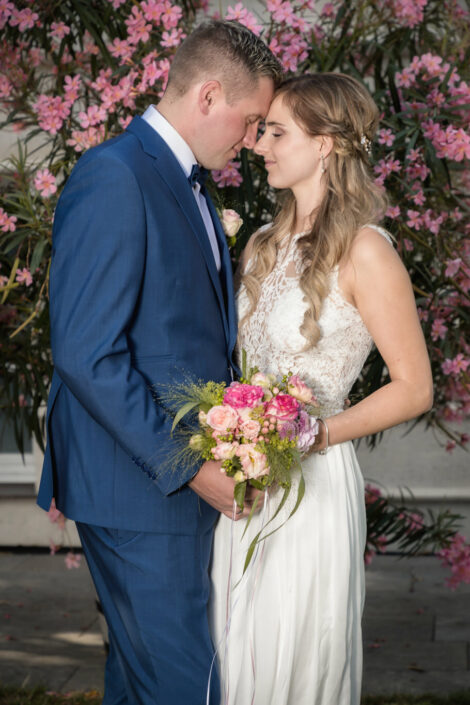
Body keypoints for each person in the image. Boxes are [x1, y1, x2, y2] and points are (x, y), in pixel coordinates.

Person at [37, 20, 282, 705]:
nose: (253, 139)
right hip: (144, 488)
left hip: (152, 487)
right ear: (208, 96)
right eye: (252, 119)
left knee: (145, 683)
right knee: (185, 686)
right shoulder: (115, 175)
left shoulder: (187, 181)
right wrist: (194, 467)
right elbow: (86, 351)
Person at [209, 72, 433, 705]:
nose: (260, 145)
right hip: (243, 479)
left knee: (294, 652)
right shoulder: (259, 244)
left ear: (328, 143)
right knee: (237, 649)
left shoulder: (368, 251)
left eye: (277, 132)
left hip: (309, 483)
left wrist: (311, 432)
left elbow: (415, 388)